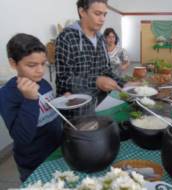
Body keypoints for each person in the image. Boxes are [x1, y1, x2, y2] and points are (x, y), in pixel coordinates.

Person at [0, 33, 62, 182]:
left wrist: (61, 101)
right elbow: (22, 137)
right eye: (32, 65)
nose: (40, 70)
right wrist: (30, 99)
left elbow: (49, 114)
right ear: (14, 63)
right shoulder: (7, 94)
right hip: (33, 163)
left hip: (57, 151)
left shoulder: (43, 83)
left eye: (43, 64)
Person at [55, 0, 124, 104]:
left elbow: (106, 70)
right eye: (97, 14)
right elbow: (63, 80)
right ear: (82, 12)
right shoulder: (67, 38)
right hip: (78, 108)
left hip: (102, 102)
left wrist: (124, 83)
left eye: (104, 14)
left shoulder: (101, 39)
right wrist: (96, 82)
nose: (102, 19)